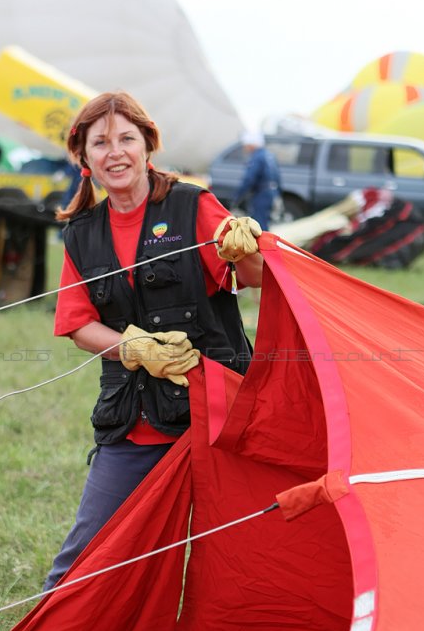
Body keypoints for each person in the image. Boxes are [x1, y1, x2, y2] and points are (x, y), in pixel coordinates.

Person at [42, 91, 263, 591]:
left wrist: (248, 249)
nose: (114, 152)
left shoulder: (192, 205)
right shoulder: (82, 233)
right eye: (100, 142)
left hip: (220, 414)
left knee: (245, 555)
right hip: (133, 420)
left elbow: (252, 276)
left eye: (126, 138)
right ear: (84, 157)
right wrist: (133, 349)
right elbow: (77, 324)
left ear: (147, 145)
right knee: (82, 561)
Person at [232, 130, 282, 231]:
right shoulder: (269, 155)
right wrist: (278, 195)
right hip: (271, 193)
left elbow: (249, 179)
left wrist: (237, 197)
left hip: (261, 195)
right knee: (266, 223)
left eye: (245, 145)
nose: (244, 148)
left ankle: (261, 246)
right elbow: (278, 177)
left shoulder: (257, 157)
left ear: (251, 144)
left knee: (259, 226)